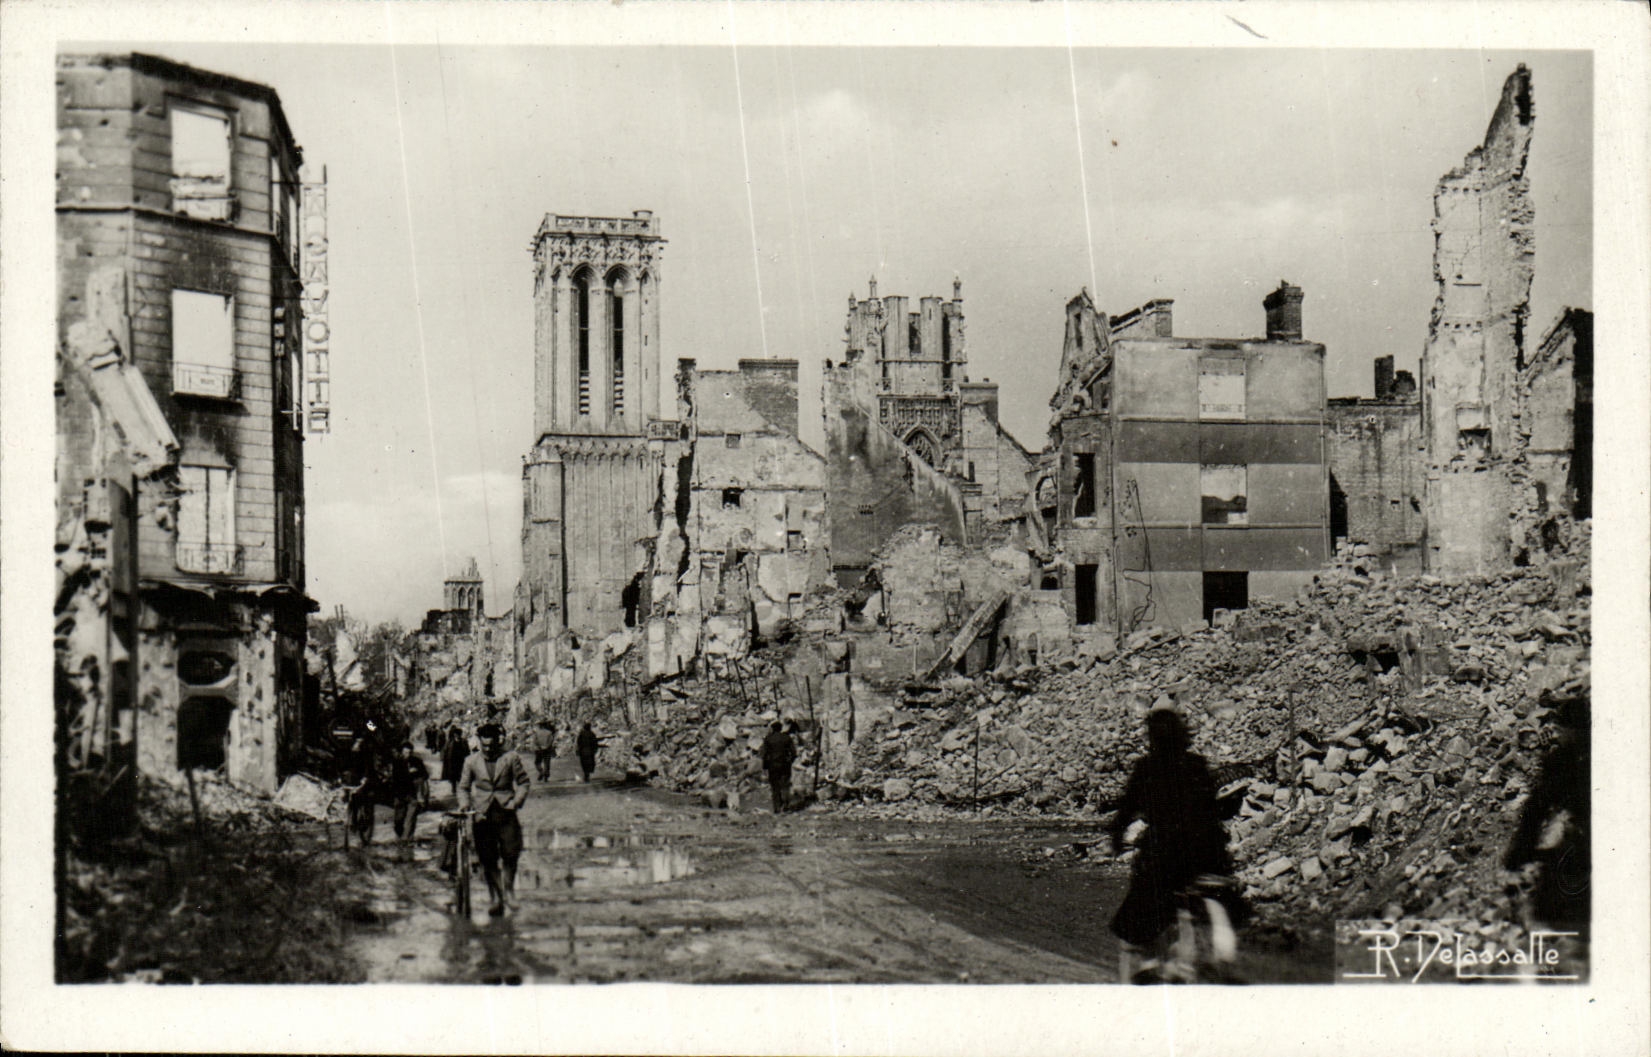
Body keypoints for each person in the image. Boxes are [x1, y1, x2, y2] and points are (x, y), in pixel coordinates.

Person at [1108, 707, 1241, 982]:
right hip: (1206, 854)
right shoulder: (1196, 764)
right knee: (1217, 898)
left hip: (1164, 854)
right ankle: (1218, 953)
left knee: (1139, 916)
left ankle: (1147, 965)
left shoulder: (1147, 768)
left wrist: (1117, 838)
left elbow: (1125, 811)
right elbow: (1210, 810)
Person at [457, 722, 532, 916]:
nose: (488, 749)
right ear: (480, 743)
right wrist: (465, 805)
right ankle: (495, 897)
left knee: (511, 852)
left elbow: (523, 782)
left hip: (506, 812)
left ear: (498, 742)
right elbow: (463, 787)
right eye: (485, 746)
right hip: (482, 815)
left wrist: (516, 802)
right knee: (487, 857)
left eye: (492, 745)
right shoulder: (471, 761)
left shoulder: (510, 758)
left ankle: (509, 891)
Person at [388, 740, 430, 846]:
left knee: (411, 818)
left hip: (413, 794)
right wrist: (409, 773)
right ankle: (401, 836)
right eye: (405, 753)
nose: (408, 755)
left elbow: (425, 775)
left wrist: (417, 774)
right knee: (398, 820)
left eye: (410, 753)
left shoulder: (417, 761)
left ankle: (406, 839)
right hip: (400, 794)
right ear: (402, 752)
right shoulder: (396, 763)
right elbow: (395, 778)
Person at [761, 721, 797, 814]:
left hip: (772, 765)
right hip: (785, 764)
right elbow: (793, 752)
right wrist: (790, 761)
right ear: (781, 728)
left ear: (772, 728)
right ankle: (786, 806)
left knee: (775, 787)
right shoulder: (786, 738)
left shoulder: (768, 738)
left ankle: (777, 808)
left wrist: (765, 766)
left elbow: (764, 754)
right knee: (785, 786)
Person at [440, 723, 468, 791]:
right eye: (456, 734)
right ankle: (453, 787)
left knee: (460, 773)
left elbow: (467, 750)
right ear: (454, 734)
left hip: (461, 760)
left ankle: (460, 786)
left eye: (459, 734)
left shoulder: (464, 741)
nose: (457, 736)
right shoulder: (450, 741)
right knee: (452, 774)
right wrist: (443, 757)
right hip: (452, 760)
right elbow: (445, 750)